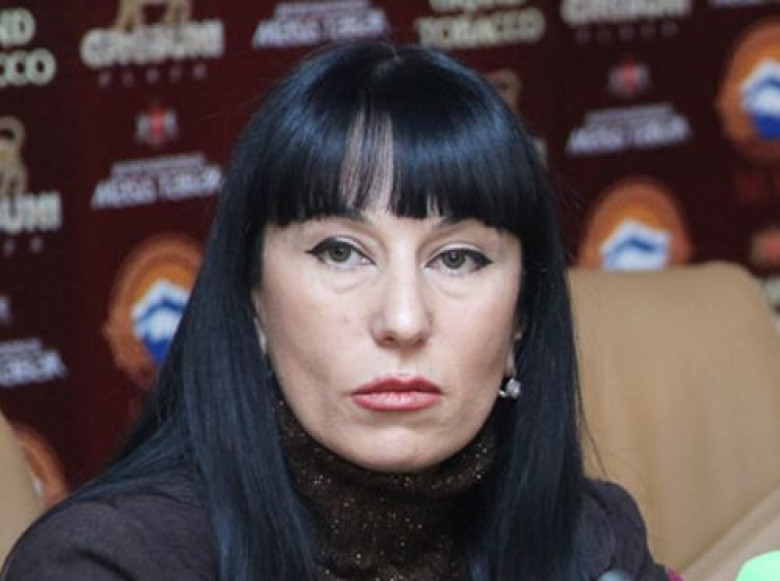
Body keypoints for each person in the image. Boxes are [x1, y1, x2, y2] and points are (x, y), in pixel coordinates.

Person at [1, 42, 673, 580]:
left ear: (521, 315)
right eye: (342, 252)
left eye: (458, 258)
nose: (404, 321)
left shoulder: (594, 542)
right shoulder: (111, 562)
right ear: (253, 297)